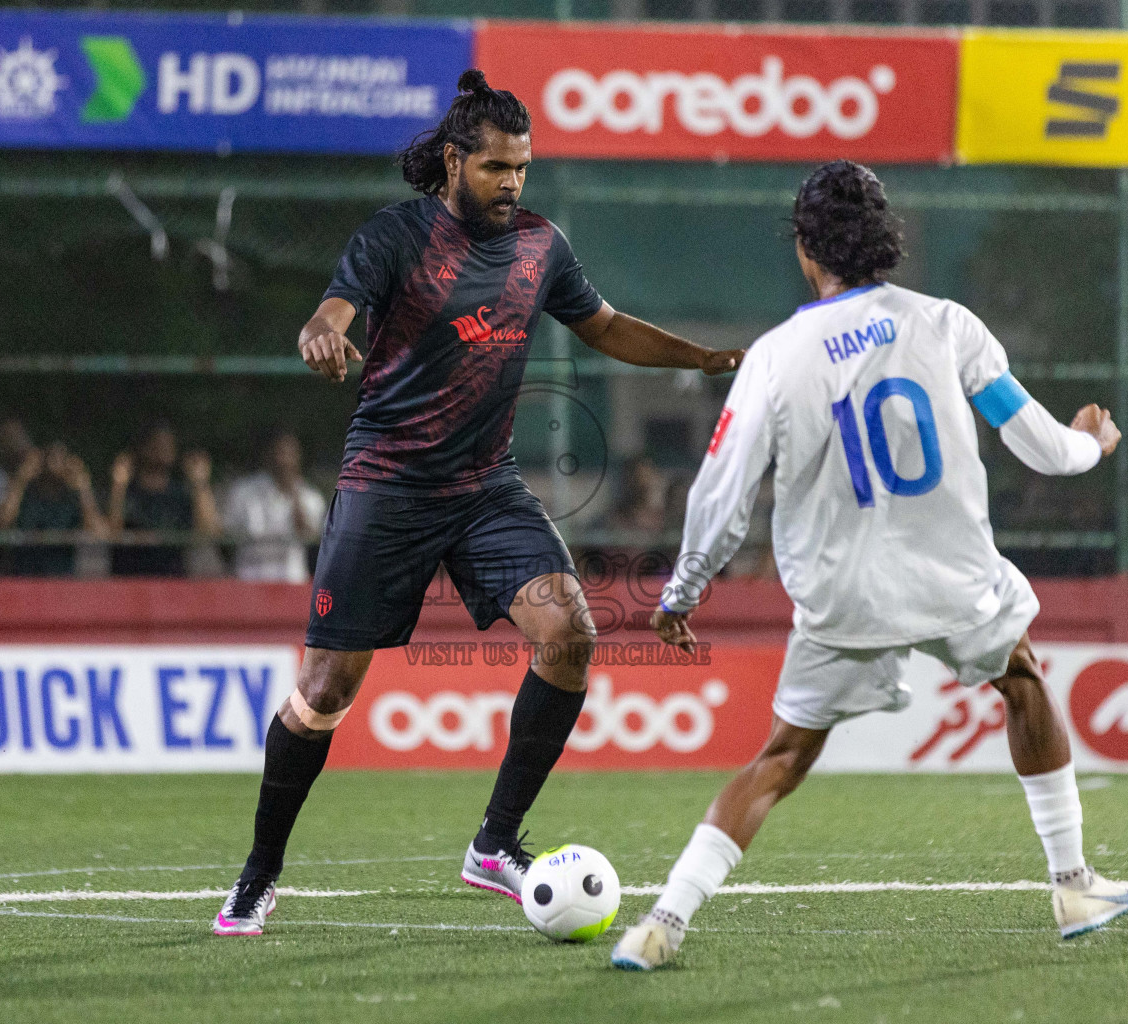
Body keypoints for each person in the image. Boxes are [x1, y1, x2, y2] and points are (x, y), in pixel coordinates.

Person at [212, 69, 743, 936]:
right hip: (388, 481)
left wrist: (709, 359)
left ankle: (494, 845)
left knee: (570, 633)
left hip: (485, 486)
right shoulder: (396, 235)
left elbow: (605, 327)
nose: (512, 184)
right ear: (455, 160)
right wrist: (324, 331)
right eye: (497, 168)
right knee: (323, 689)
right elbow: (335, 308)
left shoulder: (542, 247)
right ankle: (259, 872)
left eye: (523, 169)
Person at [609, 161, 1128, 970]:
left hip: (841, 595)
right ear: (885, 240)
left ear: (804, 250)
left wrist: (681, 593)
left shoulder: (777, 357)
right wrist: (1093, 443)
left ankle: (663, 924)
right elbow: (1041, 446)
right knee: (1022, 679)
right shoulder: (947, 325)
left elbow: (720, 493)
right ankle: (1073, 884)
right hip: (953, 577)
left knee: (783, 757)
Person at [107, 422, 219, 577]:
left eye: (169, 444)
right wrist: (118, 485)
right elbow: (111, 531)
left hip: (171, 584)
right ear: (143, 449)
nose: (164, 449)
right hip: (129, 583)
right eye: (158, 444)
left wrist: (200, 483)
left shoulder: (181, 493)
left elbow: (208, 532)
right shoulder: (127, 491)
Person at [222, 429, 326, 583]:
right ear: (268, 455)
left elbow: (310, 539)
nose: (283, 460)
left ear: (298, 458)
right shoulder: (243, 491)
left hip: (291, 581)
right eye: (279, 452)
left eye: (289, 454)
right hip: (249, 580)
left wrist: (294, 495)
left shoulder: (311, 498)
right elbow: (225, 537)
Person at [0, 441, 108, 576]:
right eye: (50, 456)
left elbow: (100, 532)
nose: (55, 462)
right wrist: (21, 479)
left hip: (60, 578)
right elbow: (3, 523)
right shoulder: (27, 494)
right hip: (24, 575)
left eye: (61, 457)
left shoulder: (72, 497)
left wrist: (84, 486)